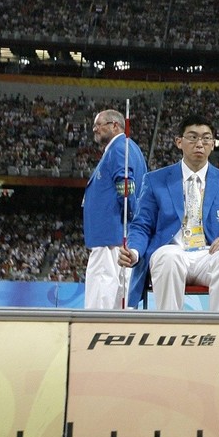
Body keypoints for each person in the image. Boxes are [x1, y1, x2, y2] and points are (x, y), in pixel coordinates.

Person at [118, 116, 219, 311]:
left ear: (213, 144)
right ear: (179, 142)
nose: (200, 144)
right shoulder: (155, 180)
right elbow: (142, 225)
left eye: (206, 138)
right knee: (169, 256)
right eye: (193, 138)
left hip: (208, 255)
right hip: (172, 252)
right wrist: (134, 252)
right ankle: (171, 331)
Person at [83, 109, 148, 309]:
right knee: (120, 289)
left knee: (103, 285)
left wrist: (131, 218)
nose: (95, 129)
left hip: (112, 233)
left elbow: (126, 185)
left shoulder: (120, 148)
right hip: (116, 232)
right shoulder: (128, 148)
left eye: (99, 124)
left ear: (115, 125)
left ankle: (95, 330)